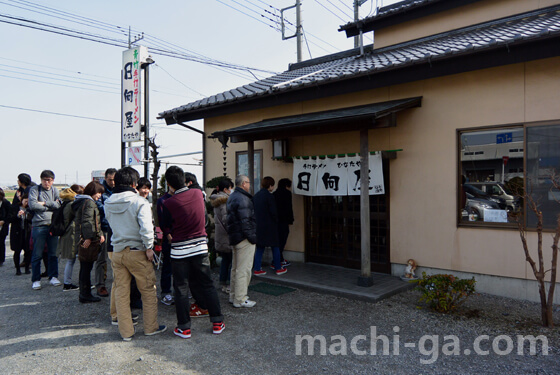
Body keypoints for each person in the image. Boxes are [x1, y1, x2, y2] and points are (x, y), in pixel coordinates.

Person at [162, 166, 224, 338]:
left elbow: (166, 225)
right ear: (184, 179)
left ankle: (184, 327)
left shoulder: (168, 203)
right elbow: (203, 216)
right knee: (208, 284)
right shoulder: (198, 194)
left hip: (179, 250)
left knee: (181, 288)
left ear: (169, 184)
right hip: (200, 248)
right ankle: (217, 322)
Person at [105, 167, 166, 341]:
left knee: (121, 292)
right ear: (134, 183)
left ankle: (126, 332)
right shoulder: (140, 202)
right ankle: (150, 327)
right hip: (137, 251)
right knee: (147, 289)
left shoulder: (108, 202)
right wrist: (149, 247)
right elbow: (147, 229)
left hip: (117, 251)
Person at [226, 175, 257, 308]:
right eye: (248, 182)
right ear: (244, 183)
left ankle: (234, 296)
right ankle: (240, 298)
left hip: (235, 237)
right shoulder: (244, 199)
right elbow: (246, 222)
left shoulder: (232, 196)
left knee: (236, 269)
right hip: (244, 238)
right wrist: (252, 237)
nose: (249, 185)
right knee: (243, 270)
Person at [28, 170, 61, 290]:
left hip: (52, 225)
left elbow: (59, 205)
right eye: (45, 180)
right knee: (37, 254)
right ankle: (36, 279)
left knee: (53, 253)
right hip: (39, 225)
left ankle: (53, 276)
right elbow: (32, 205)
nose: (47, 182)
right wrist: (51, 205)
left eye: (50, 180)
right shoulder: (35, 190)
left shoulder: (55, 190)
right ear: (41, 180)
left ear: (53, 181)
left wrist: (44, 203)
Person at [73, 181, 106, 303]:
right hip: (87, 239)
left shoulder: (82, 200)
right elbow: (88, 221)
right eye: (99, 193)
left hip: (82, 237)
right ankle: (85, 294)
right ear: (93, 191)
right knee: (86, 267)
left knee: (85, 267)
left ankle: (84, 293)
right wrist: (89, 237)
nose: (100, 196)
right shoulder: (89, 203)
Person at [253, 177, 287, 276]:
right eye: (273, 185)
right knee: (275, 246)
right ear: (270, 186)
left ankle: (257, 268)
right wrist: (276, 221)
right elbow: (273, 212)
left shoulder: (256, 196)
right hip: (270, 225)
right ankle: (278, 267)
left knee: (260, 247)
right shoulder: (269, 196)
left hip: (259, 225)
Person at [94, 168, 116, 298]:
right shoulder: (100, 190)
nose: (112, 182)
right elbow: (99, 207)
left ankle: (117, 283)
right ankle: (100, 285)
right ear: (106, 178)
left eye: (114, 180)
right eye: (110, 180)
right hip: (104, 227)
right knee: (101, 258)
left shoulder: (119, 189)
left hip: (117, 227)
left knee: (117, 258)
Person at [209, 177, 234, 293]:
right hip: (227, 236)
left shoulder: (217, 200)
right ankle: (228, 284)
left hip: (220, 236)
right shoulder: (225, 201)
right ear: (225, 189)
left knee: (225, 260)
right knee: (231, 262)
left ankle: (223, 282)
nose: (231, 190)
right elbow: (227, 220)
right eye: (230, 188)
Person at [57, 184, 84, 290]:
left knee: (70, 260)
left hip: (67, 233)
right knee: (72, 259)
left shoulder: (65, 202)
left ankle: (67, 283)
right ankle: (67, 283)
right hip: (72, 233)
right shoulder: (72, 204)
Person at [10, 174, 33, 272]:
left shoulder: (30, 190)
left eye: (18, 180)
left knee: (27, 247)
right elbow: (14, 206)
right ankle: (20, 267)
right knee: (18, 247)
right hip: (18, 223)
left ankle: (28, 264)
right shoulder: (19, 191)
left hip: (27, 223)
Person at [156, 187, 174, 306]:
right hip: (169, 238)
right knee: (167, 266)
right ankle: (166, 292)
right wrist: (167, 234)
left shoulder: (181, 198)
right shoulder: (163, 200)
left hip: (181, 237)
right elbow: (162, 221)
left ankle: (180, 291)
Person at [273, 178, 294, 267]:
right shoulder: (287, 194)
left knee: (277, 241)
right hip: (284, 221)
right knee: (282, 241)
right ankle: (277, 261)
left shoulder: (274, 194)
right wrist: (291, 220)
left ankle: (279, 259)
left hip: (275, 221)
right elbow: (289, 208)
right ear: (286, 185)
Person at [11, 193, 32, 275]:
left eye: (28, 202)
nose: (26, 203)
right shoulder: (15, 207)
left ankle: (27, 268)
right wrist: (17, 215)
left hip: (27, 232)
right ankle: (17, 269)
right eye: (25, 201)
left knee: (28, 251)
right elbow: (10, 219)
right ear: (22, 200)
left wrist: (27, 215)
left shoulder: (30, 209)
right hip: (17, 233)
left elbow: (32, 220)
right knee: (17, 251)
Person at [0, 188, 12, 267]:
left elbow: (10, 215)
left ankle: (1, 259)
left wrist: (4, 221)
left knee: (1, 243)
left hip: (2, 226)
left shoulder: (6, 203)